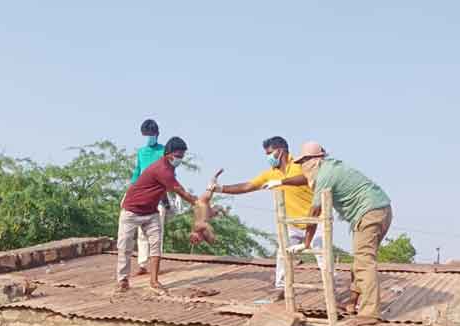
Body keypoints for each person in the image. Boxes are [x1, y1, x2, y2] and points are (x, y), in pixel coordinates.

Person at [280, 141, 392, 325]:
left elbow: (314, 212)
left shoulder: (324, 175)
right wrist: (282, 181)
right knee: (360, 260)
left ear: (313, 160)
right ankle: (352, 303)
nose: (302, 167)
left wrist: (306, 243)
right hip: (380, 209)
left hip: (369, 212)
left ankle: (370, 313)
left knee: (364, 262)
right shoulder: (329, 168)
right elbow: (305, 181)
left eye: (303, 162)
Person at [208, 136, 325, 302]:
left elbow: (307, 177)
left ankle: (332, 291)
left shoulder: (299, 164)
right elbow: (247, 186)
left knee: (323, 257)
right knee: (283, 256)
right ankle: (282, 290)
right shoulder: (270, 174)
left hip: (315, 220)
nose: (268, 157)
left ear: (280, 151)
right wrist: (220, 188)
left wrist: (282, 181)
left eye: (269, 153)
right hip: (291, 223)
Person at [117, 136, 199, 293]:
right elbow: (180, 191)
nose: (180, 159)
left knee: (156, 245)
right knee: (125, 247)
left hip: (151, 211)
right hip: (131, 210)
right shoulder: (162, 169)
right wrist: (199, 203)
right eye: (178, 156)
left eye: (182, 156)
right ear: (168, 154)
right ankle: (123, 280)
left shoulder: (170, 168)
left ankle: (154, 281)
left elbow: (165, 189)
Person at [128, 119, 170, 276]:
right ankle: (142, 264)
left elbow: (168, 176)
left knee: (156, 233)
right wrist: (131, 190)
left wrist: (165, 197)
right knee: (141, 232)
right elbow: (136, 173)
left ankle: (154, 266)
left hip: (159, 196)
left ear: (157, 134)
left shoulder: (164, 152)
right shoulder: (141, 152)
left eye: (150, 134)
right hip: (141, 197)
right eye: (146, 135)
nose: (148, 137)